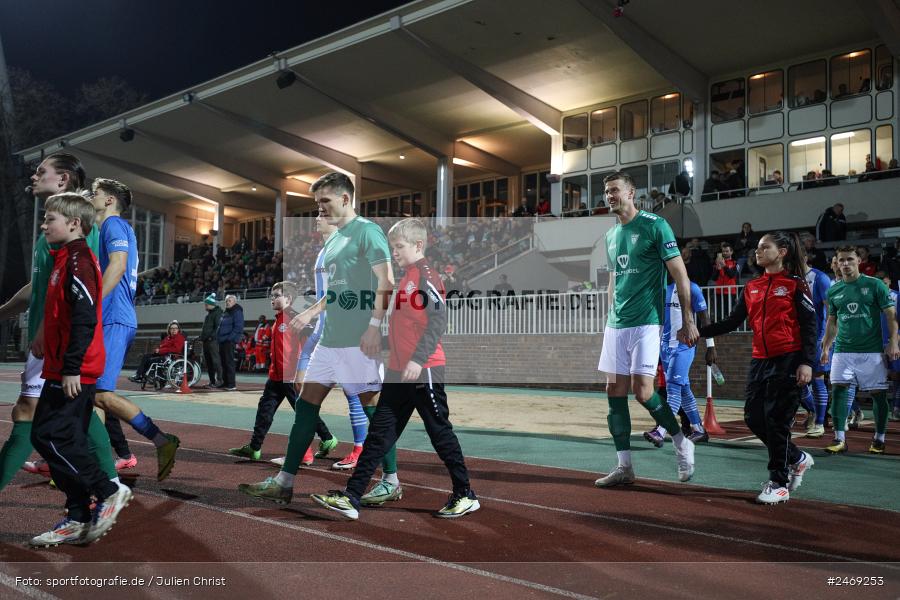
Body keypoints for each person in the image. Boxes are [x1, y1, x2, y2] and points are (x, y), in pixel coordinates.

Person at [238, 171, 397, 506]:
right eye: (317, 203)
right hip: (330, 339)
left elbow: (387, 282)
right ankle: (284, 481)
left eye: (324, 202)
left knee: (372, 410)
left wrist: (373, 327)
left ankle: (391, 481)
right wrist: (312, 312)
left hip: (357, 339)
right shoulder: (334, 240)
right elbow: (338, 291)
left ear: (345, 198)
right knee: (306, 405)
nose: (319, 209)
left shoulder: (368, 232)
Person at [311, 218, 479, 519]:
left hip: (424, 370)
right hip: (398, 372)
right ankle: (352, 497)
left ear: (418, 245)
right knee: (379, 434)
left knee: (439, 433)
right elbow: (407, 328)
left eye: (398, 247)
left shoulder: (427, 277)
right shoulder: (405, 278)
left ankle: (465, 493)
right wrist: (378, 340)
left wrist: (417, 359)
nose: (394, 252)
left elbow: (438, 320)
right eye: (391, 247)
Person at [0, 153, 117, 492]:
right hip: (50, 337)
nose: (33, 178)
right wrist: (5, 310)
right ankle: (109, 487)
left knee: (28, 412)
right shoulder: (55, 227)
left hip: (53, 340)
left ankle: (103, 491)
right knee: (78, 412)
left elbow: (72, 289)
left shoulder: (73, 226)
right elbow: (39, 284)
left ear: (63, 179)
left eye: (41, 172)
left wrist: (43, 331)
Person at [28, 192, 131, 546]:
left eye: (50, 219)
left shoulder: (80, 261)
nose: (44, 226)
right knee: (55, 435)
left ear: (74, 224)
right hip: (63, 367)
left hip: (76, 370)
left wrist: (71, 367)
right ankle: (77, 515)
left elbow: (86, 318)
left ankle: (106, 490)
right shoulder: (64, 258)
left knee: (48, 436)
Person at [594, 171, 699, 489]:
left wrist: (689, 321)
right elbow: (614, 280)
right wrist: (609, 316)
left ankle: (682, 440)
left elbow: (680, 276)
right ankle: (624, 465)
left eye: (615, 190)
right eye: (607, 191)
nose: (610, 195)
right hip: (617, 325)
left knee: (643, 392)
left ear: (631, 192)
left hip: (646, 322)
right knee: (613, 391)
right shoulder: (611, 236)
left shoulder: (655, 225)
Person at [700, 232, 817, 504]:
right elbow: (731, 321)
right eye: (758, 248)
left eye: (765, 247)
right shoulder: (752, 286)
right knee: (753, 418)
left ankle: (779, 482)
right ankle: (797, 458)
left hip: (789, 359)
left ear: (783, 252)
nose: (758, 252)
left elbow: (811, 326)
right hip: (760, 360)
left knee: (776, 421)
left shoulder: (795, 284)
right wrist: (698, 332)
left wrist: (807, 363)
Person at [88, 178, 179, 478]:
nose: (91, 196)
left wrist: (92, 304)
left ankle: (161, 440)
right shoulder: (110, 228)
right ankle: (97, 463)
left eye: (96, 193)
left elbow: (116, 265)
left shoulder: (113, 225)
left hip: (114, 316)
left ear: (110, 200)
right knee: (94, 395)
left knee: (100, 394)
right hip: (113, 316)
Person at [227, 282, 335, 464]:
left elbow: (307, 345)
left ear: (289, 299)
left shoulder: (296, 318)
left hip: (291, 377)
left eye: (277, 295)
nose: (272, 298)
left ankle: (327, 438)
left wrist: (302, 373)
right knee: (265, 411)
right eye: (271, 295)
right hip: (275, 377)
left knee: (303, 412)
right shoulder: (278, 319)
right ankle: (254, 447)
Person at [820, 246, 899, 454]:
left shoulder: (874, 285)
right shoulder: (834, 290)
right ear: (836, 263)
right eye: (841, 260)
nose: (845, 264)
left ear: (859, 261)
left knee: (878, 395)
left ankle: (879, 439)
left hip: (871, 352)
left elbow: (891, 316)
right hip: (843, 351)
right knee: (837, 391)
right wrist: (826, 346)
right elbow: (832, 321)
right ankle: (839, 439)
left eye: (849, 259)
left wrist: (894, 341)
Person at [644, 277, 716, 446]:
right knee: (683, 390)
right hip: (665, 347)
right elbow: (658, 321)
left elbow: (705, 318)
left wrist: (711, 346)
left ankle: (661, 431)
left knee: (673, 388)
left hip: (685, 346)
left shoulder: (693, 288)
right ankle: (699, 430)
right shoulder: (663, 289)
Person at [799, 249, 833, 438]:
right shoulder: (790, 277)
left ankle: (820, 422)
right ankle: (814, 411)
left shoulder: (819, 278)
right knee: (797, 380)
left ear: (804, 257)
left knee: (818, 378)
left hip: (816, 338)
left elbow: (831, 312)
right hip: (796, 338)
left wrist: (824, 340)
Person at [217, 295, 244, 391]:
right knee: (223, 363)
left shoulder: (237, 311)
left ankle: (232, 384)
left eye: (230, 301)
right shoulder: (226, 312)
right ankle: (226, 382)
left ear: (235, 302)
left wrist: (230, 339)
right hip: (222, 341)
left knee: (229, 363)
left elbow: (238, 327)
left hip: (228, 341)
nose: (227, 302)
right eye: (226, 301)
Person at [199, 294, 223, 387]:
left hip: (213, 341)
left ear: (211, 304)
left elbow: (217, 328)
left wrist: (210, 337)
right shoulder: (209, 314)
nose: (205, 306)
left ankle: (219, 381)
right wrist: (201, 337)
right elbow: (207, 329)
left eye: (206, 304)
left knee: (216, 362)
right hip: (207, 342)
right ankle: (212, 381)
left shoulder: (218, 313)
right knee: (209, 362)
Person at [712, 243, 739, 320]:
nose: (725, 253)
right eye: (723, 251)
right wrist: (718, 268)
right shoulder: (716, 263)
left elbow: (732, 275)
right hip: (719, 292)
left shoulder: (735, 263)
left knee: (730, 312)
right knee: (719, 312)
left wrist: (724, 266)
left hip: (730, 292)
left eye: (727, 251)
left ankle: (731, 330)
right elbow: (714, 278)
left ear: (731, 252)